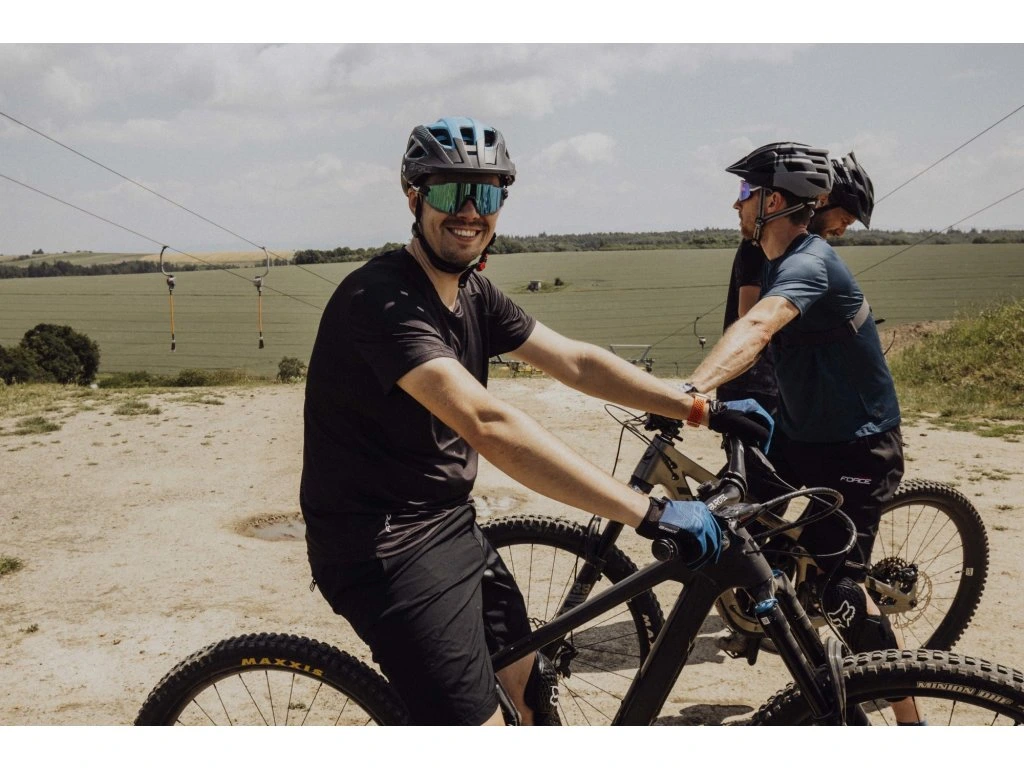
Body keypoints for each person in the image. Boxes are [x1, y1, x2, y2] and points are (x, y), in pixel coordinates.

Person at [299, 116, 771, 726]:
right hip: (382, 547)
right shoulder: (382, 300)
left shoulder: (471, 292)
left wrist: (698, 406)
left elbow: (575, 362)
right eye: (450, 191)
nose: (470, 211)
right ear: (414, 197)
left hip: (448, 522)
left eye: (486, 194)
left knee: (528, 693)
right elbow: (488, 423)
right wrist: (649, 514)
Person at [688, 143, 918, 721]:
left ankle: (911, 726)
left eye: (745, 192)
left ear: (772, 202)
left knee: (841, 593)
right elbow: (748, 322)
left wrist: (692, 391)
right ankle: (793, 655)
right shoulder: (765, 256)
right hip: (799, 436)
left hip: (858, 447)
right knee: (734, 524)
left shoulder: (809, 262)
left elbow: (759, 325)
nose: (736, 203)